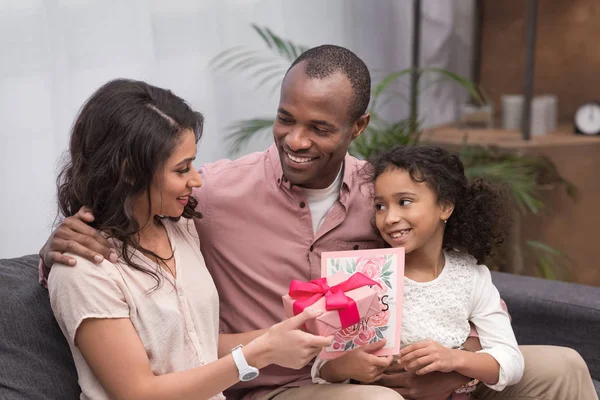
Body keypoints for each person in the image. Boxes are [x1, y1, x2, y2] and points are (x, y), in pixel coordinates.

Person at [40, 46, 598, 400]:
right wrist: (54, 245)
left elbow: (449, 277)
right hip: (281, 386)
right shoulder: (210, 195)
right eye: (285, 119)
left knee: (564, 366)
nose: (297, 140)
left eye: (320, 128)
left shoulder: (384, 200)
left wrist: (460, 353)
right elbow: (131, 207)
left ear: (358, 127)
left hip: (391, 365)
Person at [46, 78, 332, 400]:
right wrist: (258, 355)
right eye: (182, 169)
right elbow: (139, 394)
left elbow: (199, 348)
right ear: (129, 172)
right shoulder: (83, 270)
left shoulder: (180, 227)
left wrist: (282, 337)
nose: (196, 179)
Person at [311, 146, 524, 399]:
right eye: (380, 206)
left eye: (404, 202)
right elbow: (320, 368)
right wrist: (346, 366)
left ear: (445, 207)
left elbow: (511, 361)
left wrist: (454, 359)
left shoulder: (471, 277)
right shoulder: (364, 275)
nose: (389, 218)